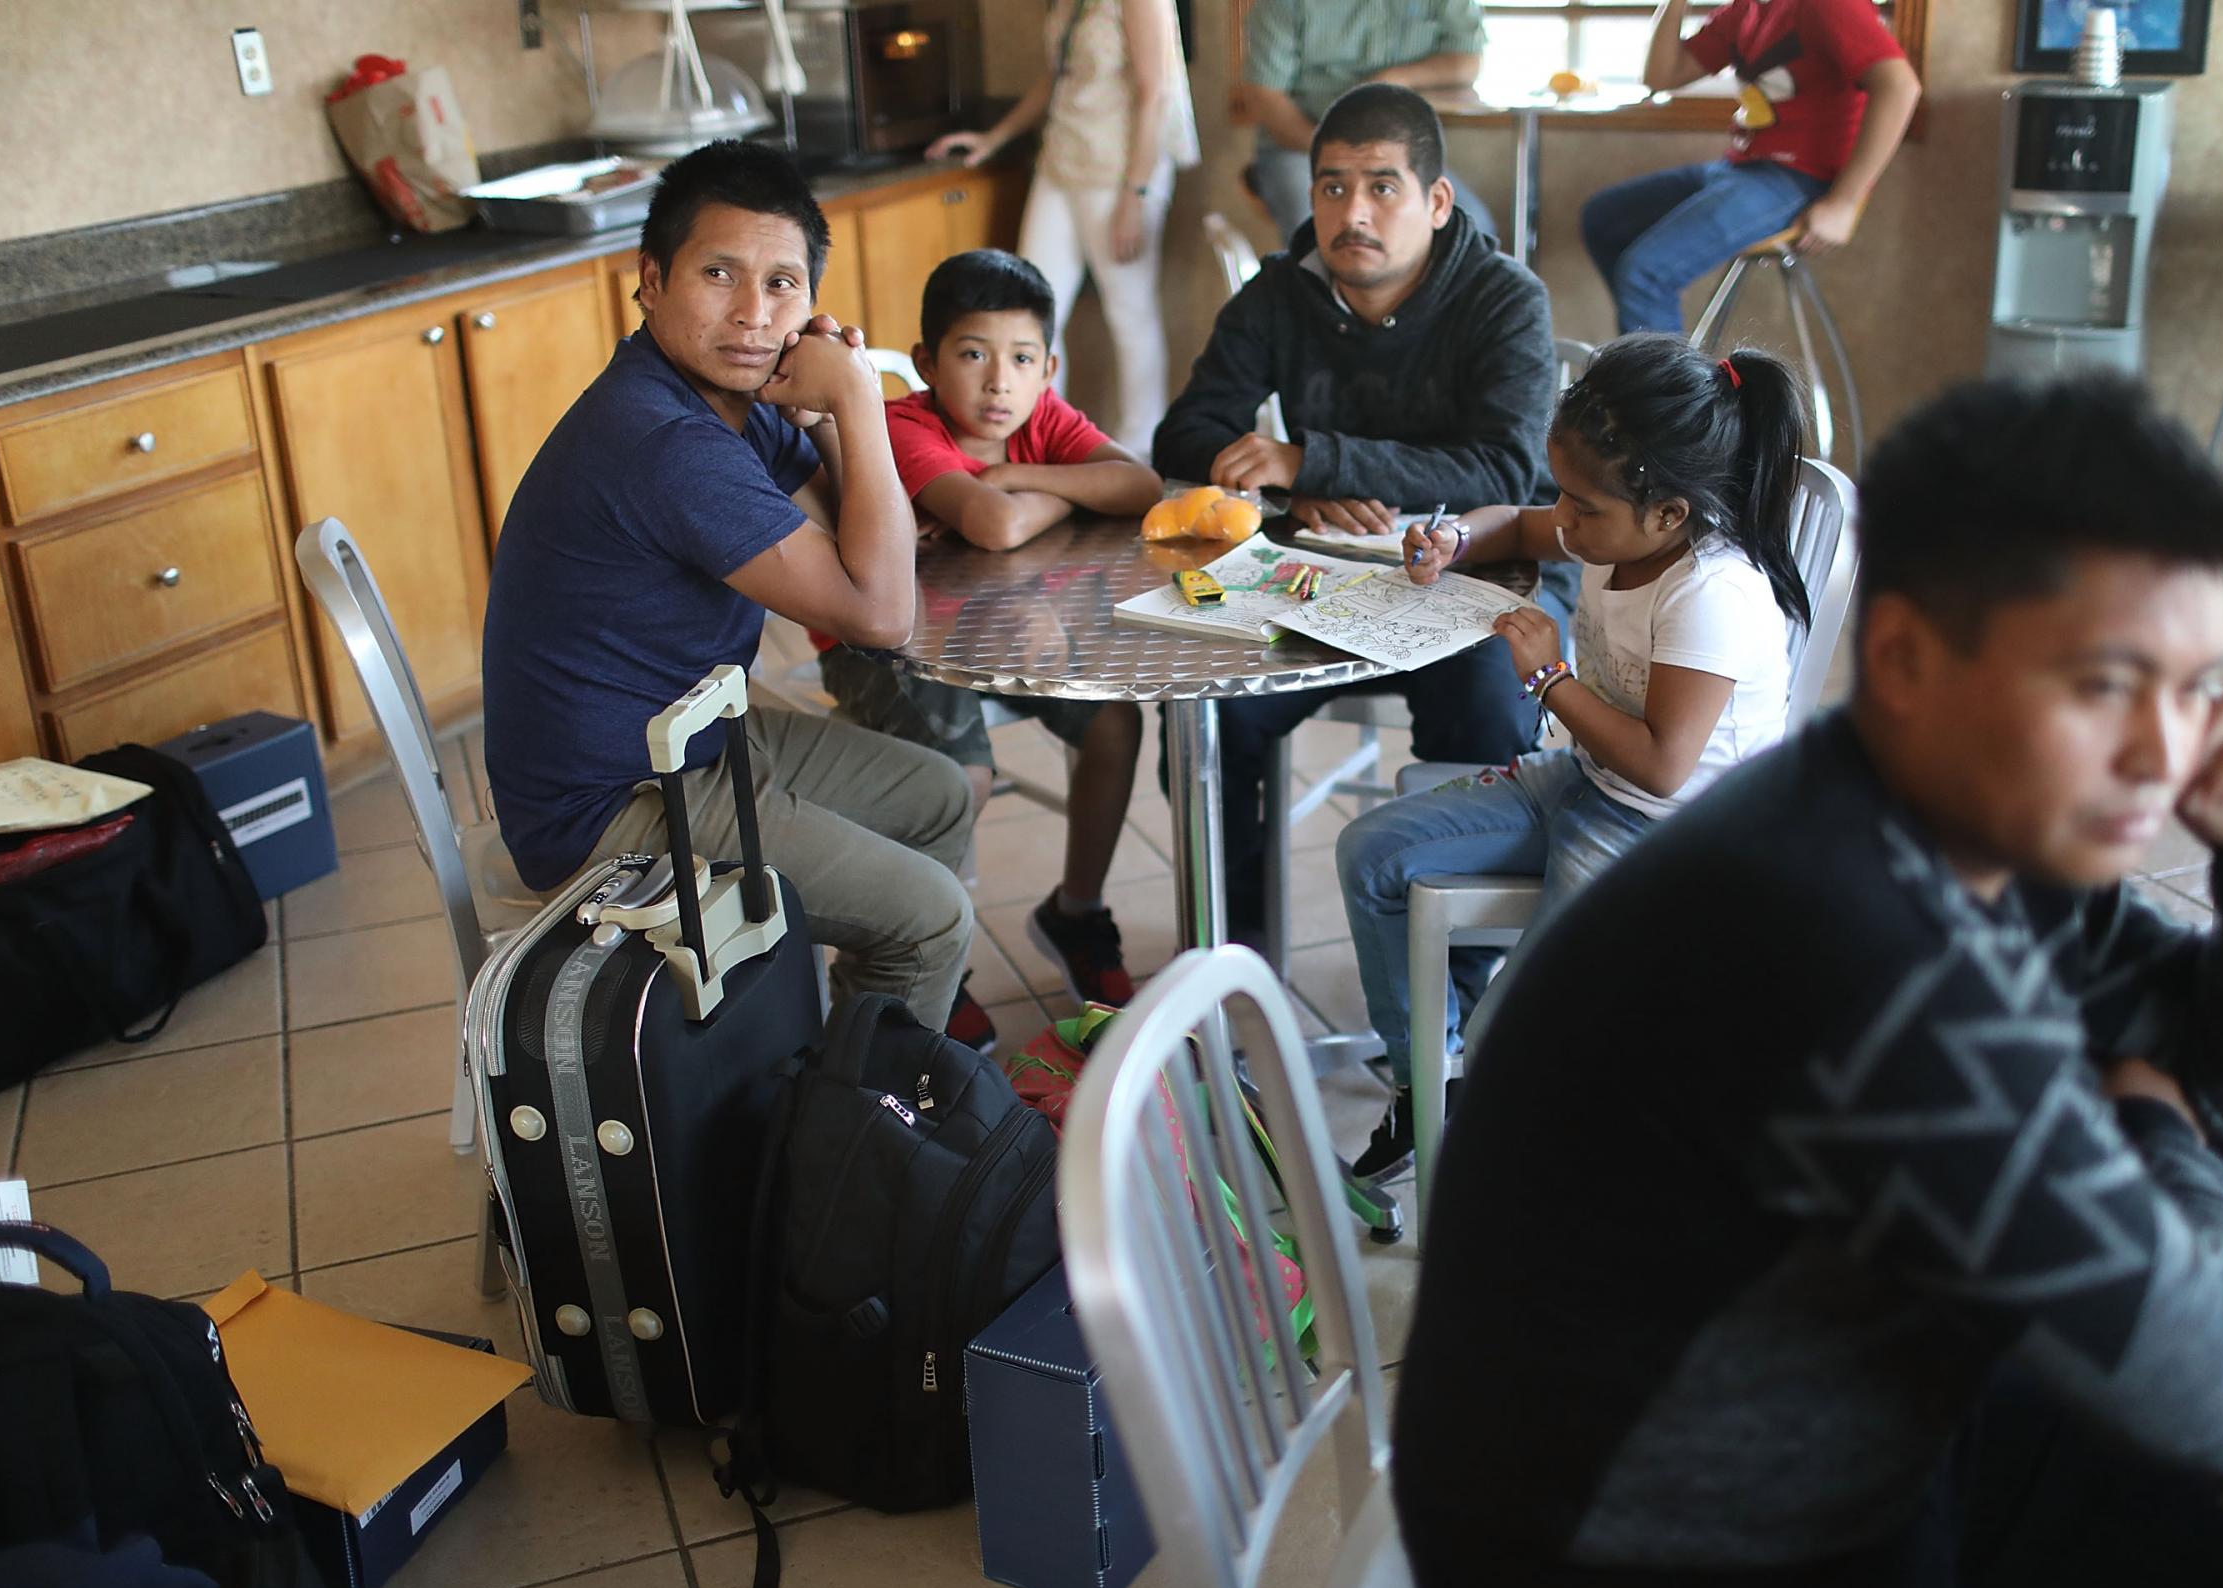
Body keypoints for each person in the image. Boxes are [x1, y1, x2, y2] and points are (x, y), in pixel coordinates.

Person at [1394, 374, 2223, 1588]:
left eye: (2189, 687)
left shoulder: (1944, 819)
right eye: (2104, 685)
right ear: (1903, 655)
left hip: (1766, 1432)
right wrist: (2154, 1120)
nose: (2160, 757)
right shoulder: (1868, 962)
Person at [482, 140, 975, 1029]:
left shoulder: (718, 402)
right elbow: (881, 610)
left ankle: (873, 1045)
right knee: (932, 917)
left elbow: (858, 526)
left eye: (783, 284)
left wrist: (823, 407)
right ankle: (856, 1144)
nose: (752, 313)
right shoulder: (665, 440)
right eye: (719, 273)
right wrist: (862, 402)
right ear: (651, 281)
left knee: (937, 796)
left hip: (694, 740)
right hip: (609, 803)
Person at [1334, 335, 1808, 1183]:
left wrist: (1548, 676)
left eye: (1582, 506)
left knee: (1518, 1040)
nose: (1565, 517)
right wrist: (1453, 541)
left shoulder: (1714, 592)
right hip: (1591, 778)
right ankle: (1428, 1091)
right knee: (1372, 853)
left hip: (1672, 833)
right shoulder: (1616, 526)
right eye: (1565, 493)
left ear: (1668, 513)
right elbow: (1519, 524)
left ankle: (1528, 1159)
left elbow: (1664, 766)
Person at [1151, 84, 1572, 949]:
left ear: (1437, 200)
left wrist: (1312, 458)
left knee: (1491, 709)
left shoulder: (1504, 299)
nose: (1354, 212)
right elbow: (1182, 431)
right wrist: (1291, 493)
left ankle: (1453, 988)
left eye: (1383, 185)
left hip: (1481, 580)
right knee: (1204, 717)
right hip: (1322, 583)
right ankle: (1239, 961)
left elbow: (1504, 468)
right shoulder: (1280, 294)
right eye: (1332, 186)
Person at [820, 249, 1163, 1023]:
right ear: (925, 364)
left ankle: (1076, 912)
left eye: (1020, 359)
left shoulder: (1042, 417)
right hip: (883, 643)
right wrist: (1033, 494)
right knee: (960, 779)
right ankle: (913, 946)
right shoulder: (903, 425)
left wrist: (1017, 479)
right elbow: (995, 526)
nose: (999, 382)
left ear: (1049, 366)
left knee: (1114, 721)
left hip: (1005, 624)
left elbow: (1139, 485)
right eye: (973, 355)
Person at [925, 0, 1200, 458]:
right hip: (1061, 160)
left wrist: (1136, 194)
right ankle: (1039, 442)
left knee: (1130, 311)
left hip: (1118, 169)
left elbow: (1156, 92)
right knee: (1033, 309)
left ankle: (1141, 451)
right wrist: (995, 138)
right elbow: (1057, 80)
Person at [1580, 0, 1921, 336]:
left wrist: (1844, 203)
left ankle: (1669, 391)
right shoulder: (1744, 11)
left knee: (1646, 273)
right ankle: (1650, 368)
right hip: (1741, 169)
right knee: (1603, 219)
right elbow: (1660, 75)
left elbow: (1900, 86)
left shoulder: (1827, 5)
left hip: (1803, 179)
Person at [1239, 0, 1497, 244]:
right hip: (1301, 148)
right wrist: (1333, 150)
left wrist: (1397, 78)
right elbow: (1264, 94)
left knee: (1472, 227)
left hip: (1399, 151)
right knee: (1315, 230)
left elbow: (1468, 60)